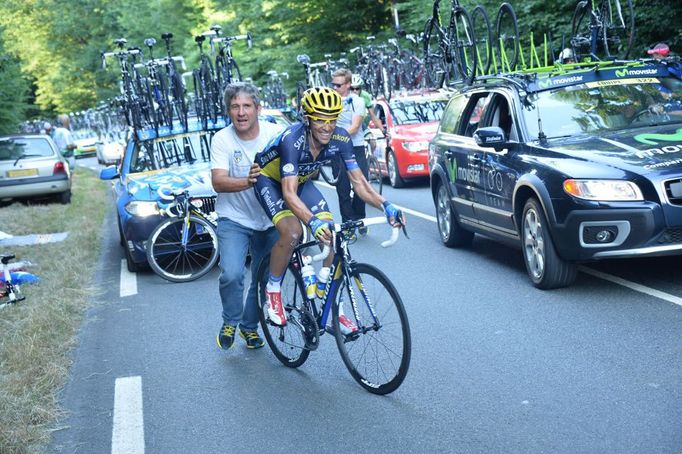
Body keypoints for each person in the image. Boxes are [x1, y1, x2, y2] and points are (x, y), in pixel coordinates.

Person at [253, 87, 404, 332]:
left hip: (300, 181)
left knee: (331, 235)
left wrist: (386, 205)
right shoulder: (293, 139)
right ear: (308, 118)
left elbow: (359, 184)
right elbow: (288, 194)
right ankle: (273, 291)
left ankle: (333, 305)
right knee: (293, 232)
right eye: (320, 119)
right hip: (269, 181)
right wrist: (312, 222)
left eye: (332, 119)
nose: (327, 126)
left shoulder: (341, 139)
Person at [211, 82, 283, 350]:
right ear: (229, 111)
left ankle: (249, 328)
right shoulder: (221, 139)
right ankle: (231, 320)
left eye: (246, 106)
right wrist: (248, 180)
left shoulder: (276, 133)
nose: (241, 112)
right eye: (234, 107)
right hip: (234, 217)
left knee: (264, 278)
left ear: (257, 108)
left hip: (270, 217)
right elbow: (218, 182)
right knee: (231, 273)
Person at [330, 69, 369, 233]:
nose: (335, 88)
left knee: (362, 186)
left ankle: (359, 218)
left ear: (347, 85)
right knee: (343, 190)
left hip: (356, 147)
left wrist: (339, 136)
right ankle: (348, 223)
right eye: (333, 85)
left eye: (338, 85)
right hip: (337, 150)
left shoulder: (357, 101)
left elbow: (355, 126)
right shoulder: (329, 101)